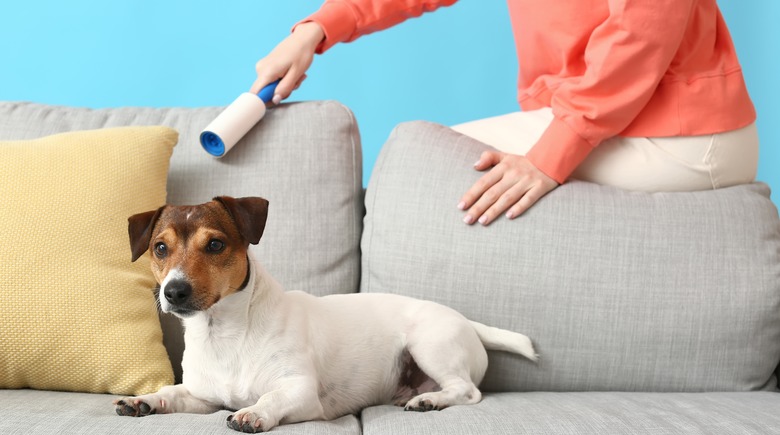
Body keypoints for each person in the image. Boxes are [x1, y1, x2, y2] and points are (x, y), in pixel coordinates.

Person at [251, 0, 758, 226]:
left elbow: (646, 24)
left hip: (681, 136)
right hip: (625, 124)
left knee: (418, 171)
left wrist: (550, 157)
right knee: (415, 168)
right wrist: (316, 30)